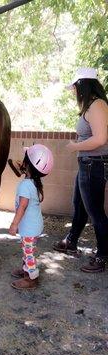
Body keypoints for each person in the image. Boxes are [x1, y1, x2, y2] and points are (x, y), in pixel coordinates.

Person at [53, 67, 108, 273]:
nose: (74, 92)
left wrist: (75, 146)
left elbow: (101, 139)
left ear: (82, 85)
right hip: (88, 163)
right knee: (79, 204)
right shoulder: (92, 106)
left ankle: (102, 256)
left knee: (96, 213)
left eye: (75, 87)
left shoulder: (98, 105)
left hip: (94, 164)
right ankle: (72, 241)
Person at [9, 144, 53, 289]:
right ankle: (25, 269)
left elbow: (22, 206)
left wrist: (14, 224)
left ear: (27, 165)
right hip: (35, 226)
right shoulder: (35, 182)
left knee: (28, 253)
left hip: (29, 228)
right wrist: (25, 167)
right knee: (28, 249)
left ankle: (31, 278)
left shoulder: (25, 185)